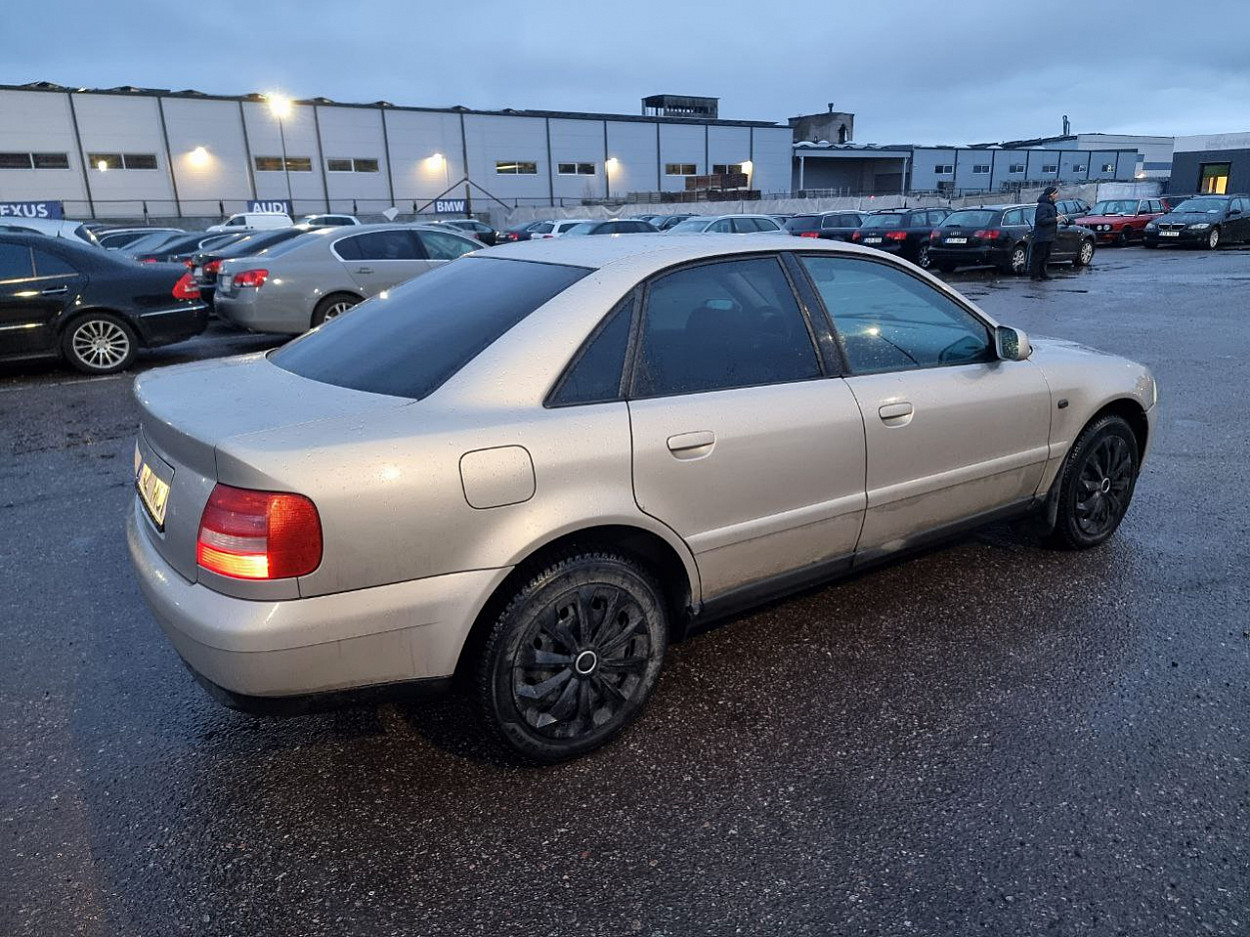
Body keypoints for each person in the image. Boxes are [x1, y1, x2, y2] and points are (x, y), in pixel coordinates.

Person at [1030, 186, 1065, 280]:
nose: (1057, 195)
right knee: (1039, 256)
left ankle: (1042, 273)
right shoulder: (1043, 205)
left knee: (1046, 256)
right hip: (1042, 235)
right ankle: (1035, 275)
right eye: (1056, 193)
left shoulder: (1051, 205)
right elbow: (1040, 220)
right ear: (1051, 195)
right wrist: (1055, 219)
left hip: (1049, 235)